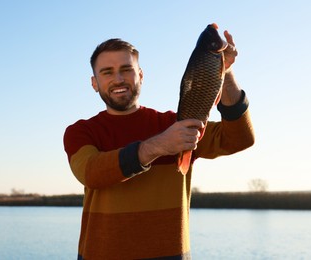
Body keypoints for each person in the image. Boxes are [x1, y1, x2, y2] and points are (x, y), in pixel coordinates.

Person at [63, 29, 254, 259]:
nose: (118, 79)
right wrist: (158, 146)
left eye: (126, 69)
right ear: (95, 83)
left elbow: (240, 138)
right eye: (107, 72)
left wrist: (225, 71)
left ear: (141, 75)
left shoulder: (177, 123)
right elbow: (91, 172)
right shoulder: (81, 131)